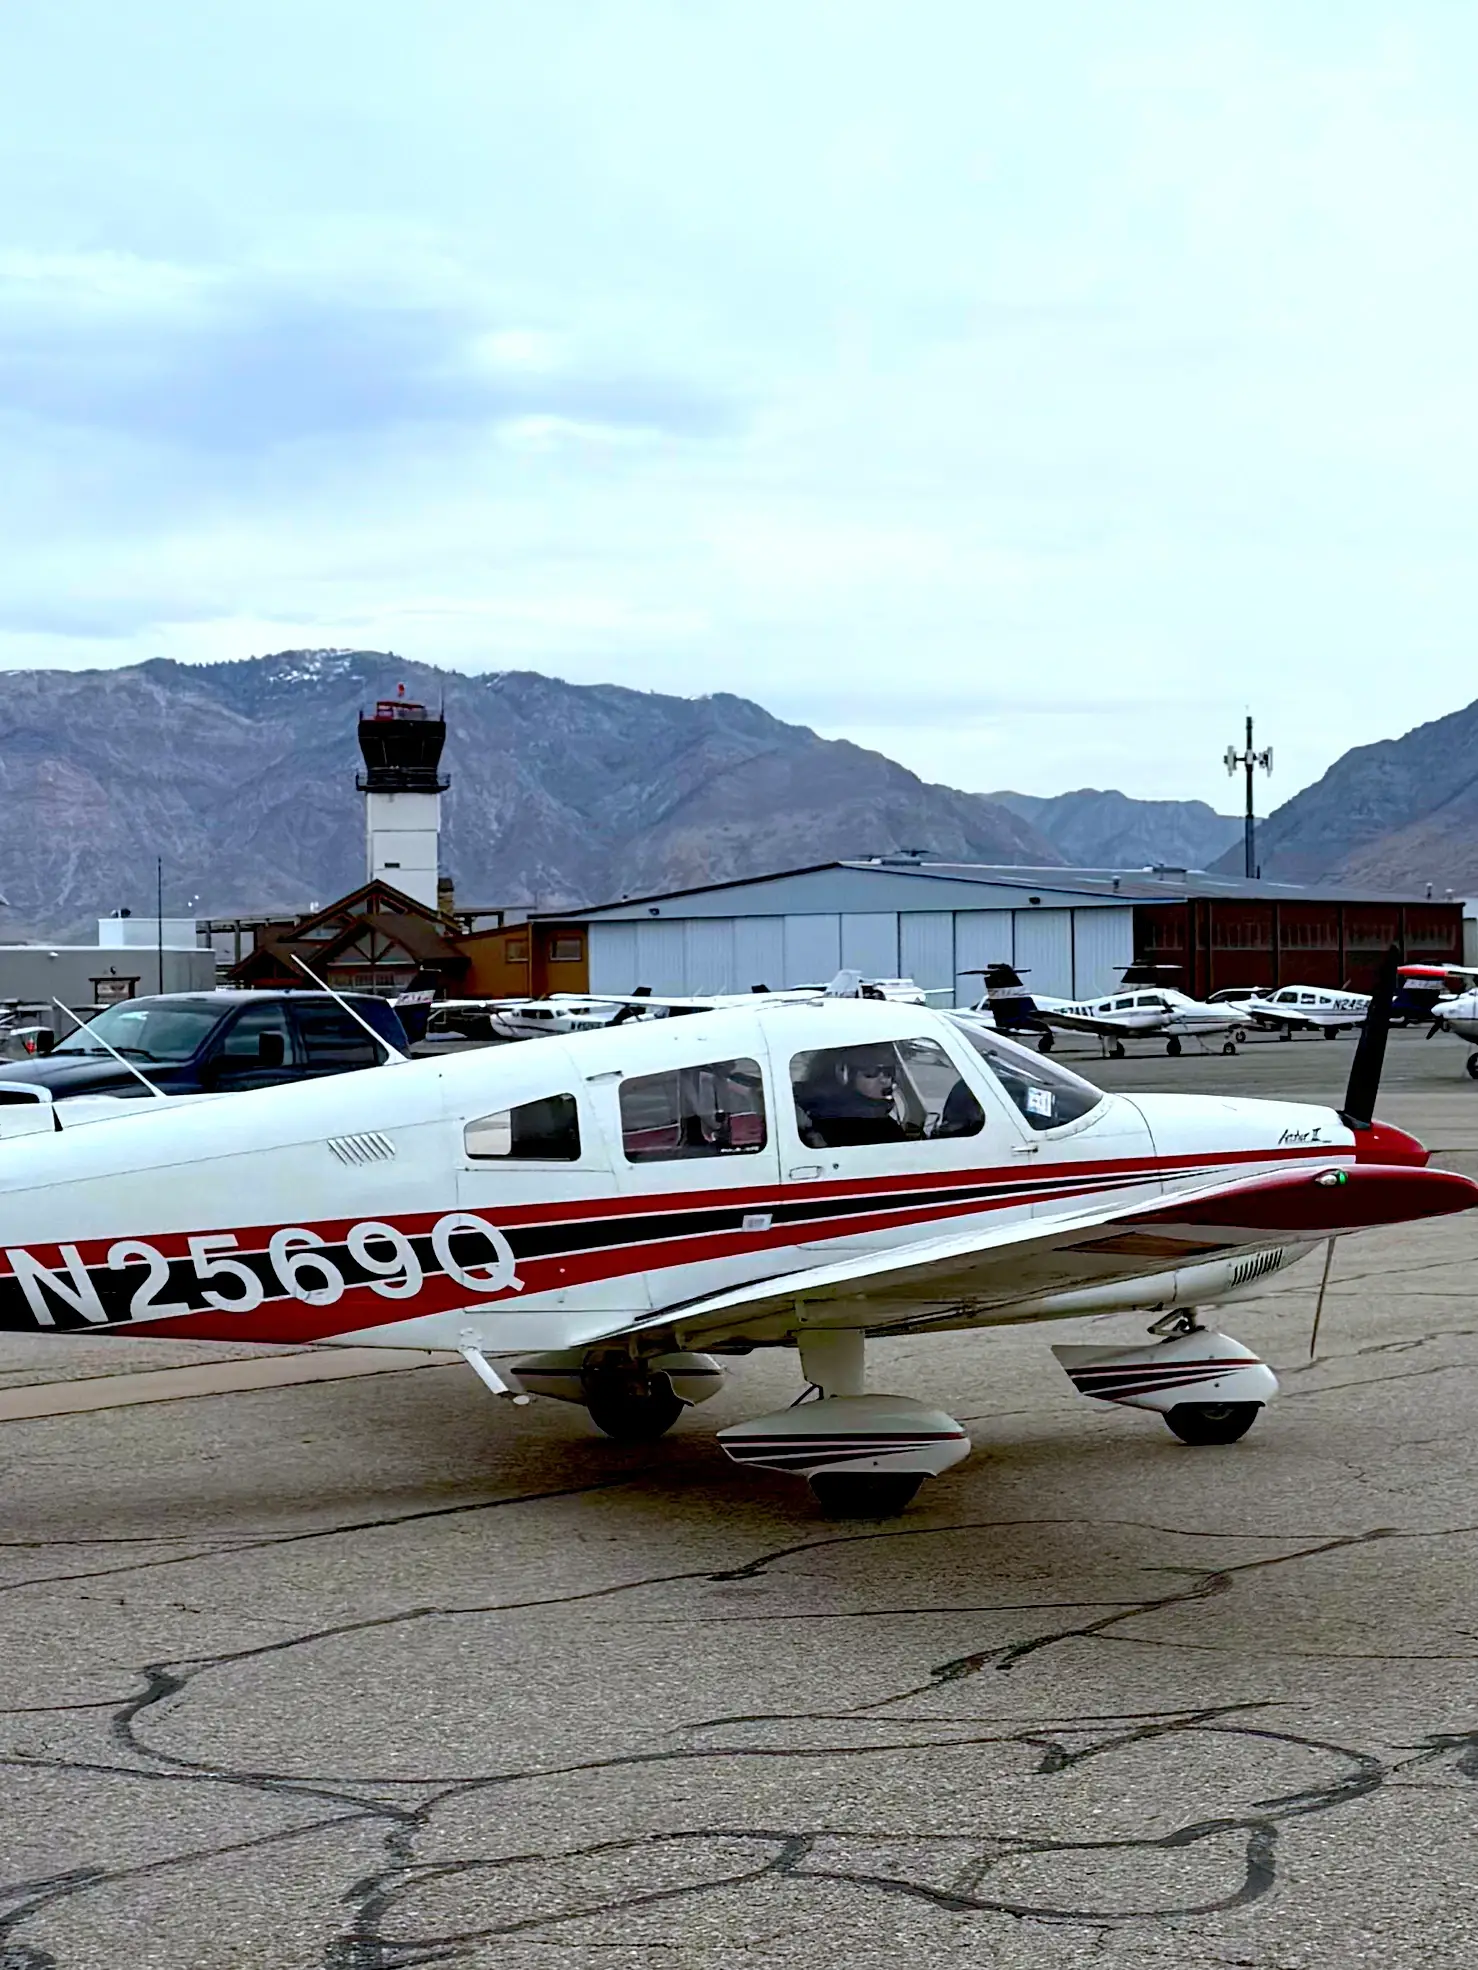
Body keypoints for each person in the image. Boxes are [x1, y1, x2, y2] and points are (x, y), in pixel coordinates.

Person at [795, 1046, 908, 1147]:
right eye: (871, 1071)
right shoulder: (872, 1126)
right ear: (844, 1073)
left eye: (888, 1071)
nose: (884, 1080)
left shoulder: (880, 1119)